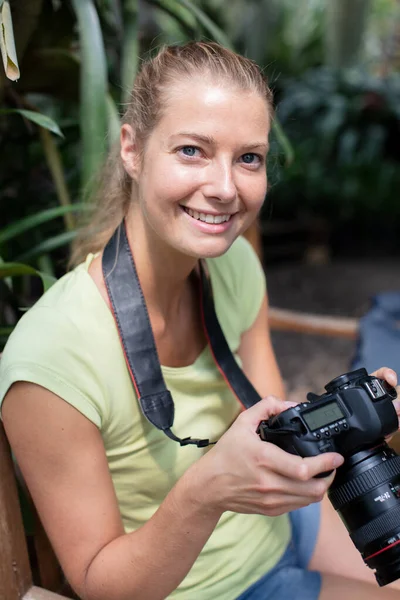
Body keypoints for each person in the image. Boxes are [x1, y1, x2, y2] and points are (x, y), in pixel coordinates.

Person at [0, 41, 399, 600]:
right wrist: (206, 492)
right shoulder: (50, 356)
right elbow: (99, 585)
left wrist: (355, 422)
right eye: (192, 150)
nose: (225, 188)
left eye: (249, 158)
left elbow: (275, 421)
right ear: (132, 150)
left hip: (282, 521)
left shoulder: (233, 266)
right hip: (202, 585)